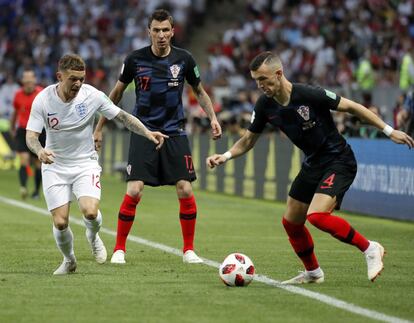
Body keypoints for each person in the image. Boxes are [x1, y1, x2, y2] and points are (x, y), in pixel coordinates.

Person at [206, 51, 414, 284]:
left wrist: (389, 131)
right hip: (313, 163)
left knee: (316, 216)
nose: (260, 85)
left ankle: (370, 248)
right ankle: (313, 272)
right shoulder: (264, 105)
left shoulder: (308, 94)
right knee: (291, 222)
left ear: (279, 73)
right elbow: (248, 140)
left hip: (339, 160)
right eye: (256, 80)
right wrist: (225, 156)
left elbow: (353, 107)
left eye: (263, 79)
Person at [93, 9, 222, 264]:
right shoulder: (134, 60)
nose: (161, 35)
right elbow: (115, 94)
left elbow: (200, 91)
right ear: (148, 32)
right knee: (135, 189)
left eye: (166, 30)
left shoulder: (185, 59)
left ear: (172, 31)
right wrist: (99, 127)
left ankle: (189, 251)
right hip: (144, 130)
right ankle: (119, 249)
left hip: (175, 132)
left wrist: (213, 118)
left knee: (185, 189)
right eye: (156, 30)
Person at [26, 54, 167, 275]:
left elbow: (122, 117)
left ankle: (93, 236)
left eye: (81, 78)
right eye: (73, 79)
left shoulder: (92, 96)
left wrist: (147, 133)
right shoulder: (43, 100)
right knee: (61, 222)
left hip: (85, 163)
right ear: (59, 76)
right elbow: (31, 136)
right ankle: (69, 259)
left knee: (90, 212)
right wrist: (39, 151)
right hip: (55, 165)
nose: (78, 84)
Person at [10, 70, 45, 199]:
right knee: (23, 159)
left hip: (39, 130)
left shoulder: (41, 93)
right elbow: (15, 111)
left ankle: (36, 191)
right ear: (23, 81)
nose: (29, 83)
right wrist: (12, 127)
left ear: (34, 81)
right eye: (27, 81)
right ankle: (23, 187)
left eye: (31, 81)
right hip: (23, 130)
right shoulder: (18, 95)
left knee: (38, 162)